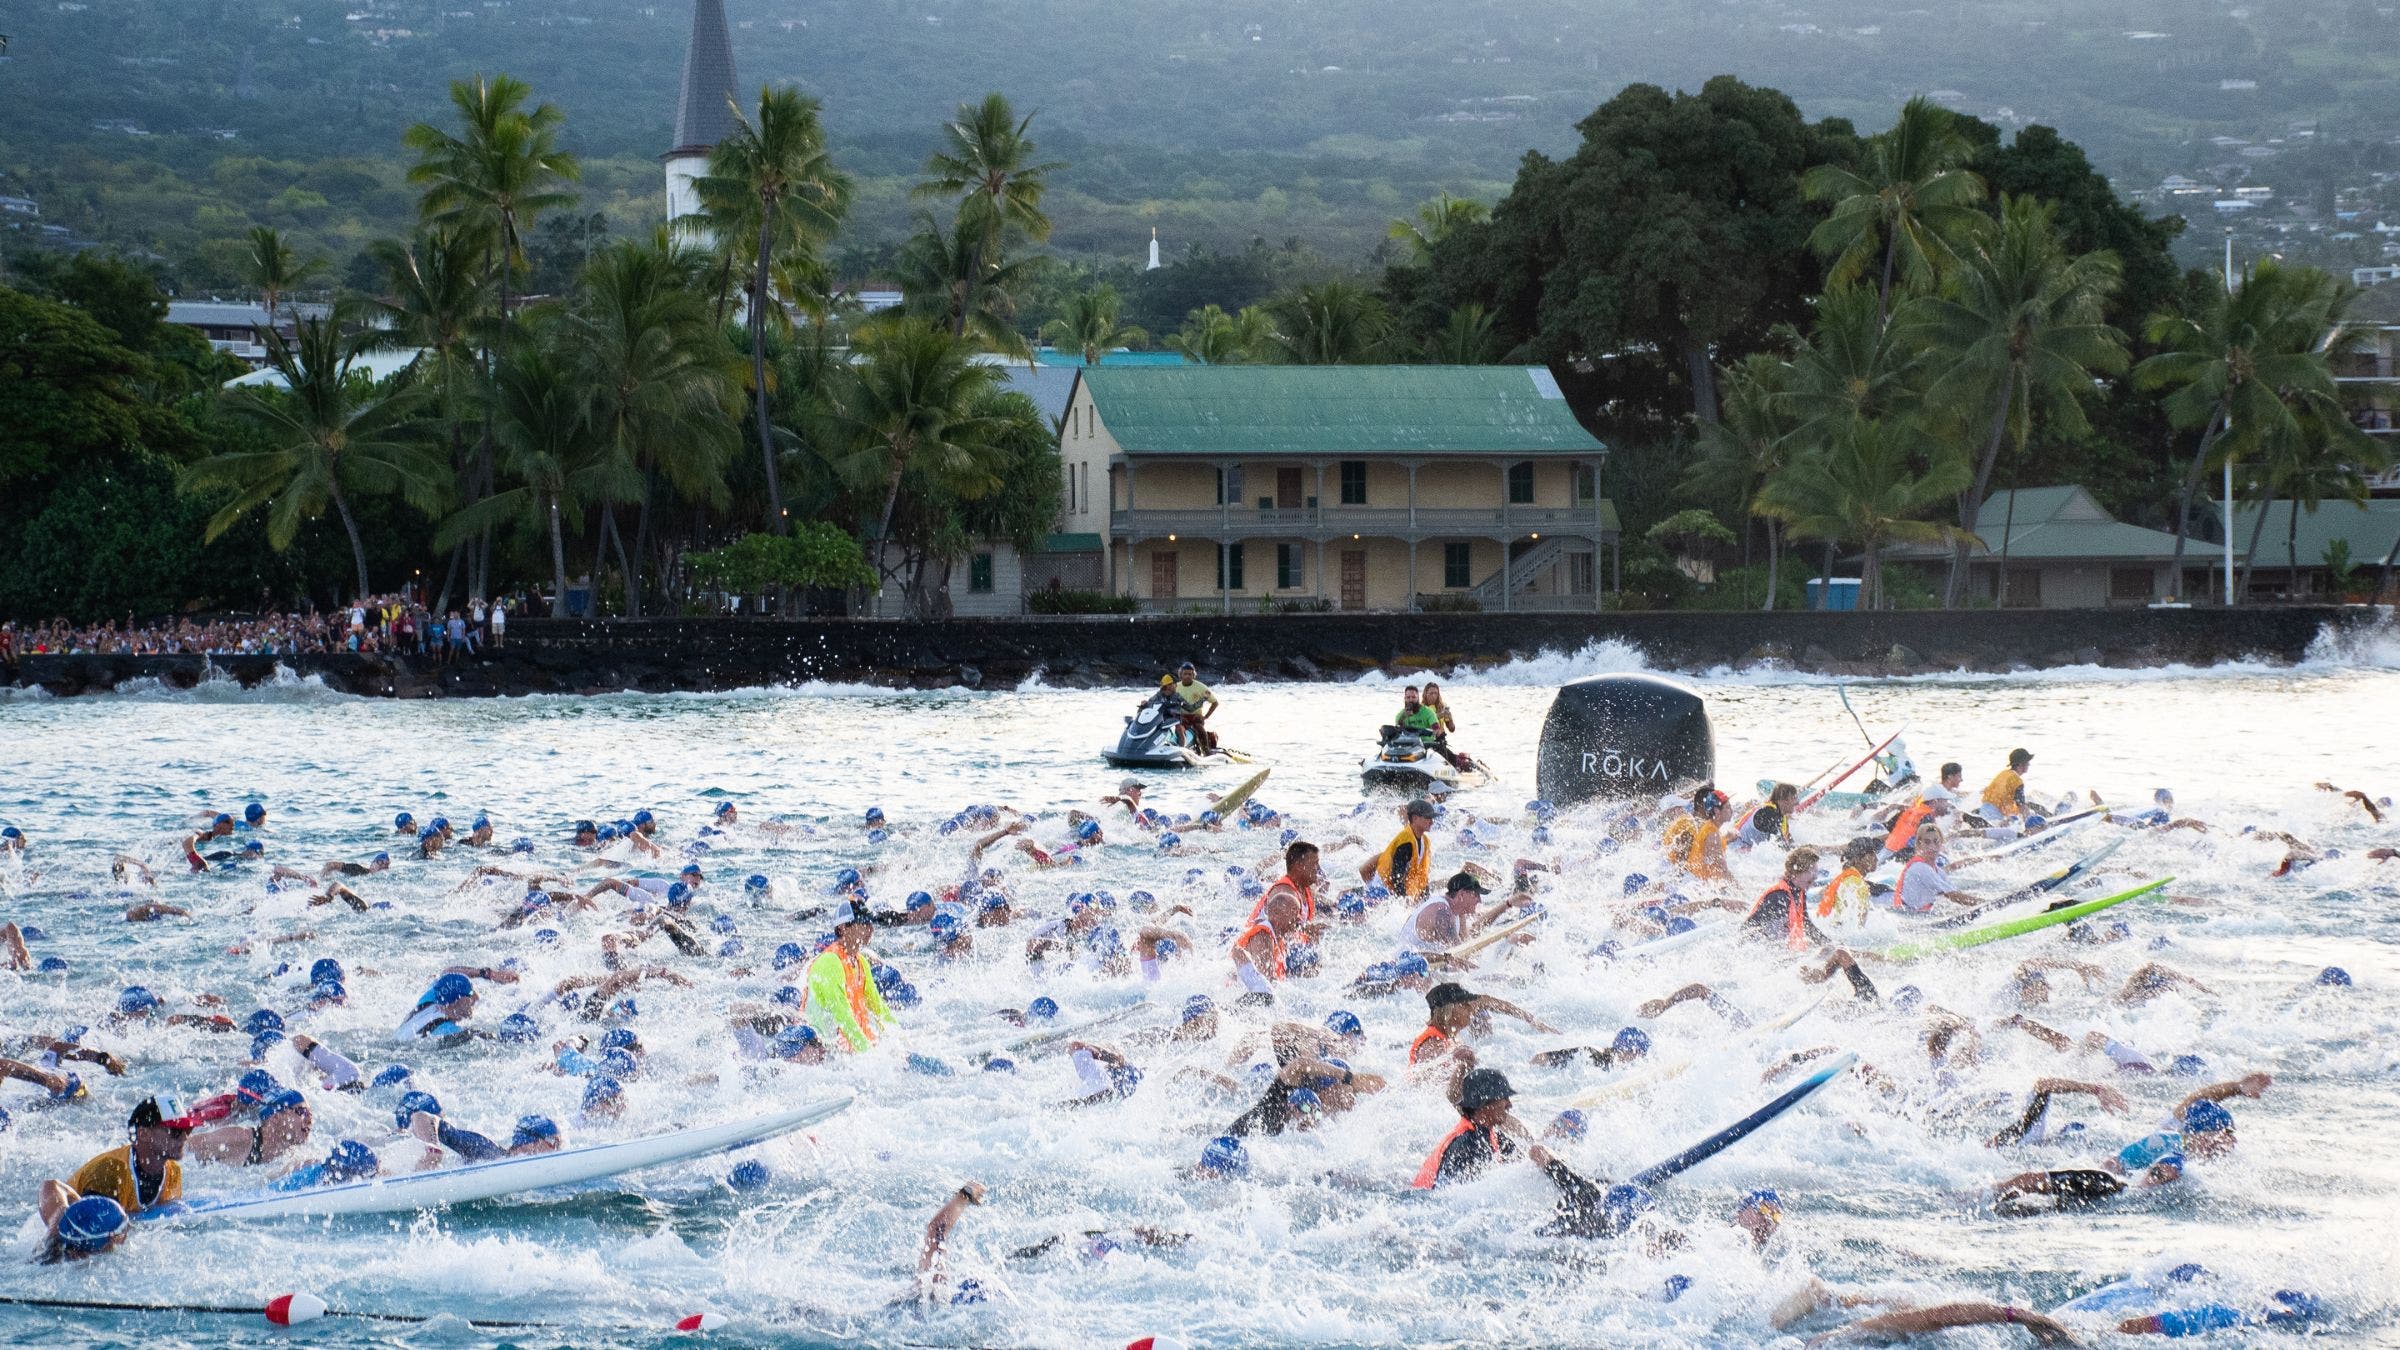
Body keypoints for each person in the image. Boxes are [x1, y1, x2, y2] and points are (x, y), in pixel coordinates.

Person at [1408, 1068, 1632, 1240]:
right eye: (1503, 1098)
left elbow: (1523, 1168)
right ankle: (1588, 1194)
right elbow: (1455, 1204)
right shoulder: (1466, 1146)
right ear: (1484, 1104)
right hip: (1438, 1220)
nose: (1509, 1105)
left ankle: (1593, 1189)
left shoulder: (1489, 1134)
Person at [37, 1097, 195, 1249]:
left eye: (188, 1130)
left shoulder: (173, 1171)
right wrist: (55, 1238)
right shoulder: (111, 1170)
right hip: (60, 1225)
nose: (184, 1137)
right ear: (144, 1134)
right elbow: (52, 1187)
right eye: (175, 1131)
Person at [804, 900, 894, 1051]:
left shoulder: (861, 962)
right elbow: (842, 1017)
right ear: (842, 928)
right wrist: (869, 1055)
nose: (869, 928)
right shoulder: (829, 962)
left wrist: (901, 1040)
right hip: (820, 1051)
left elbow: (879, 1009)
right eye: (862, 923)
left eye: (870, 923)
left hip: (851, 1050)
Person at [1403, 870, 1534, 962]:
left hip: (1428, 964)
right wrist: (1502, 946)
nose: (1479, 901)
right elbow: (1460, 953)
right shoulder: (1441, 910)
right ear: (1462, 895)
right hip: (1408, 969)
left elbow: (1471, 935)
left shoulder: (1457, 910)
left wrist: (1507, 904)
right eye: (1476, 895)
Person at [1744, 848, 1830, 949]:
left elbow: (1807, 925)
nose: (1815, 876)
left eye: (1816, 871)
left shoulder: (1800, 892)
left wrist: (1829, 945)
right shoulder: (1779, 897)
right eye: (1811, 871)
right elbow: (1765, 936)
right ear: (1796, 872)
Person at [1360, 798, 1437, 899]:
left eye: (1432, 818)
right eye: (1428, 818)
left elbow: (1423, 876)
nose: (1432, 822)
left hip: (1397, 889)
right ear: (1414, 818)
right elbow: (1396, 878)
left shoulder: (1425, 841)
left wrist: (1425, 899)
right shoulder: (1405, 843)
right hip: (1383, 890)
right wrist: (1404, 902)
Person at [1894, 827, 1981, 912]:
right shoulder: (1920, 868)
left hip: (1919, 913)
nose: (1932, 846)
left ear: (1941, 844)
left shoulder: (1939, 871)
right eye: (1927, 842)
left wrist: (1978, 900)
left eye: (1936, 842)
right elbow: (1953, 896)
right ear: (1919, 845)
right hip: (1907, 916)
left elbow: (1956, 892)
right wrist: (1986, 904)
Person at [1171, 662, 1219, 753]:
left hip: (1197, 717)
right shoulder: (1176, 687)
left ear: (1194, 675)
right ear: (1181, 675)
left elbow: (1215, 703)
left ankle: (1206, 751)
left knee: (1199, 728)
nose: (1188, 676)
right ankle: (1180, 749)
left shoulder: (1201, 687)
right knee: (1179, 728)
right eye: (1185, 674)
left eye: (1190, 674)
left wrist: (1206, 716)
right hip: (1182, 716)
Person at [1982, 748, 2036, 820]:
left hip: (1983, 810)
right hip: (1995, 814)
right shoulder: (2017, 781)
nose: (2029, 764)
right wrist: (2030, 819)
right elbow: (2021, 806)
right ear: (2020, 764)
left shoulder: (2003, 773)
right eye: (2027, 762)